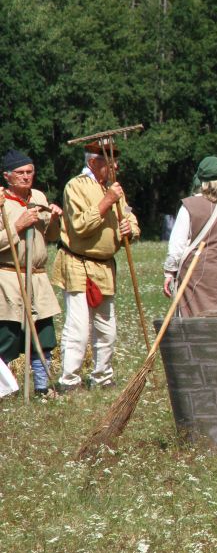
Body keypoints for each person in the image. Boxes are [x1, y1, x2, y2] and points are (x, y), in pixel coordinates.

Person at [52, 140, 141, 391]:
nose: (116, 167)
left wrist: (130, 229)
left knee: (107, 329)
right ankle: (69, 380)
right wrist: (106, 201)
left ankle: (102, 376)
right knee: (79, 328)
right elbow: (80, 226)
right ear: (93, 162)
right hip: (78, 262)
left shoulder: (113, 189)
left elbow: (130, 217)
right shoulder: (76, 186)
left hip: (105, 267)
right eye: (110, 162)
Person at [0, 150, 63, 397]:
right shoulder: (1, 202)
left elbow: (52, 236)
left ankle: (41, 387)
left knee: (43, 334)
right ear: (7, 176)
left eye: (30, 172)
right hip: (9, 276)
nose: (26, 177)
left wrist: (54, 219)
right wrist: (18, 226)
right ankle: (4, 389)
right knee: (7, 337)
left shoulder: (38, 197)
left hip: (37, 277)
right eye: (20, 173)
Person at [162, 156, 217, 316]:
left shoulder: (189, 206)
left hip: (194, 277)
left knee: (193, 322)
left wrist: (169, 273)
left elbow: (177, 246)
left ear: (201, 179)